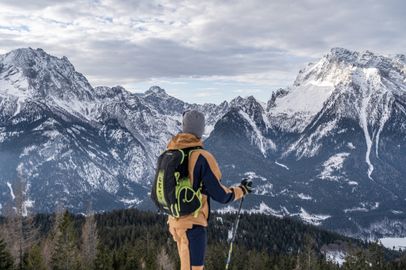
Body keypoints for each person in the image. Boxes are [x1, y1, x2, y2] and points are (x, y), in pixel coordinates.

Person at [166, 110, 253, 270]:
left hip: (175, 223)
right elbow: (221, 195)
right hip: (193, 226)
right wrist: (241, 190)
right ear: (202, 130)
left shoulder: (171, 152)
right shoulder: (202, 157)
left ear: (184, 127)